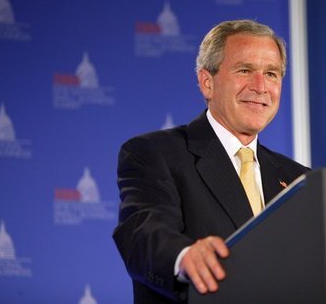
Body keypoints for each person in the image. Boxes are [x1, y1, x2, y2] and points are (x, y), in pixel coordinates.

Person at [113, 19, 309, 303]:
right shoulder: (155, 153)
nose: (261, 86)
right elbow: (144, 232)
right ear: (207, 82)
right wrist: (184, 256)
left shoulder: (298, 178)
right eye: (245, 70)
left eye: (271, 74)